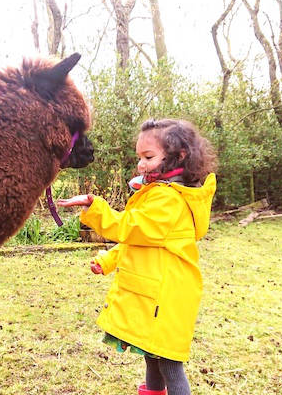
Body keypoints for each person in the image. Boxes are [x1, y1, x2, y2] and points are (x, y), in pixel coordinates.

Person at [57, 118, 217, 395]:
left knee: (168, 362)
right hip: (158, 293)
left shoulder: (169, 200)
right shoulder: (159, 193)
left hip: (167, 297)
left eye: (149, 157)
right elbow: (141, 242)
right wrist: (108, 261)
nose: (141, 164)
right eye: (139, 157)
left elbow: (129, 227)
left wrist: (96, 207)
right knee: (152, 356)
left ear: (178, 156)